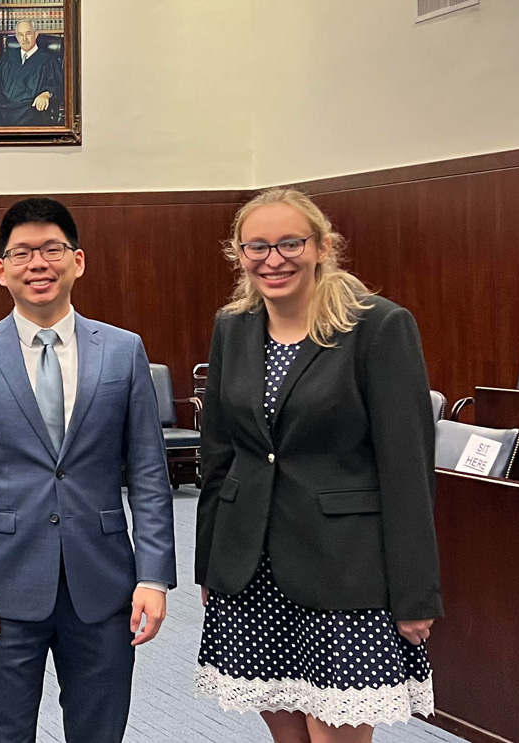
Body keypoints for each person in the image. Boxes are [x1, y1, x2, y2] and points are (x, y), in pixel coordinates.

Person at [194, 189, 440, 742]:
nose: (273, 259)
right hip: (250, 568)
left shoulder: (377, 326)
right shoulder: (233, 326)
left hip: (345, 572)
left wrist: (415, 593)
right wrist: (210, 561)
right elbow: (219, 455)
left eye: (289, 243)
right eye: (256, 246)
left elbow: (407, 470)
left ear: (323, 246)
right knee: (289, 734)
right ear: (238, 253)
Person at [0, 197, 176, 743]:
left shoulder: (122, 351)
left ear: (78, 261)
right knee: (1, 733)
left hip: (104, 580)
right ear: (1, 270)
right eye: (22, 253)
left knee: (100, 730)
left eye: (52, 250)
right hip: (3, 583)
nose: (37, 264)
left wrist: (154, 576)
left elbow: (148, 474)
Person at [0, 21, 65, 127]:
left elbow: (58, 86)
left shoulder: (48, 60)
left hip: (28, 109)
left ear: (36, 34)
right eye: (20, 34)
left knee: (30, 114)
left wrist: (46, 94)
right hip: (4, 107)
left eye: (28, 33)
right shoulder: (8, 57)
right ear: (17, 37)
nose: (24, 38)